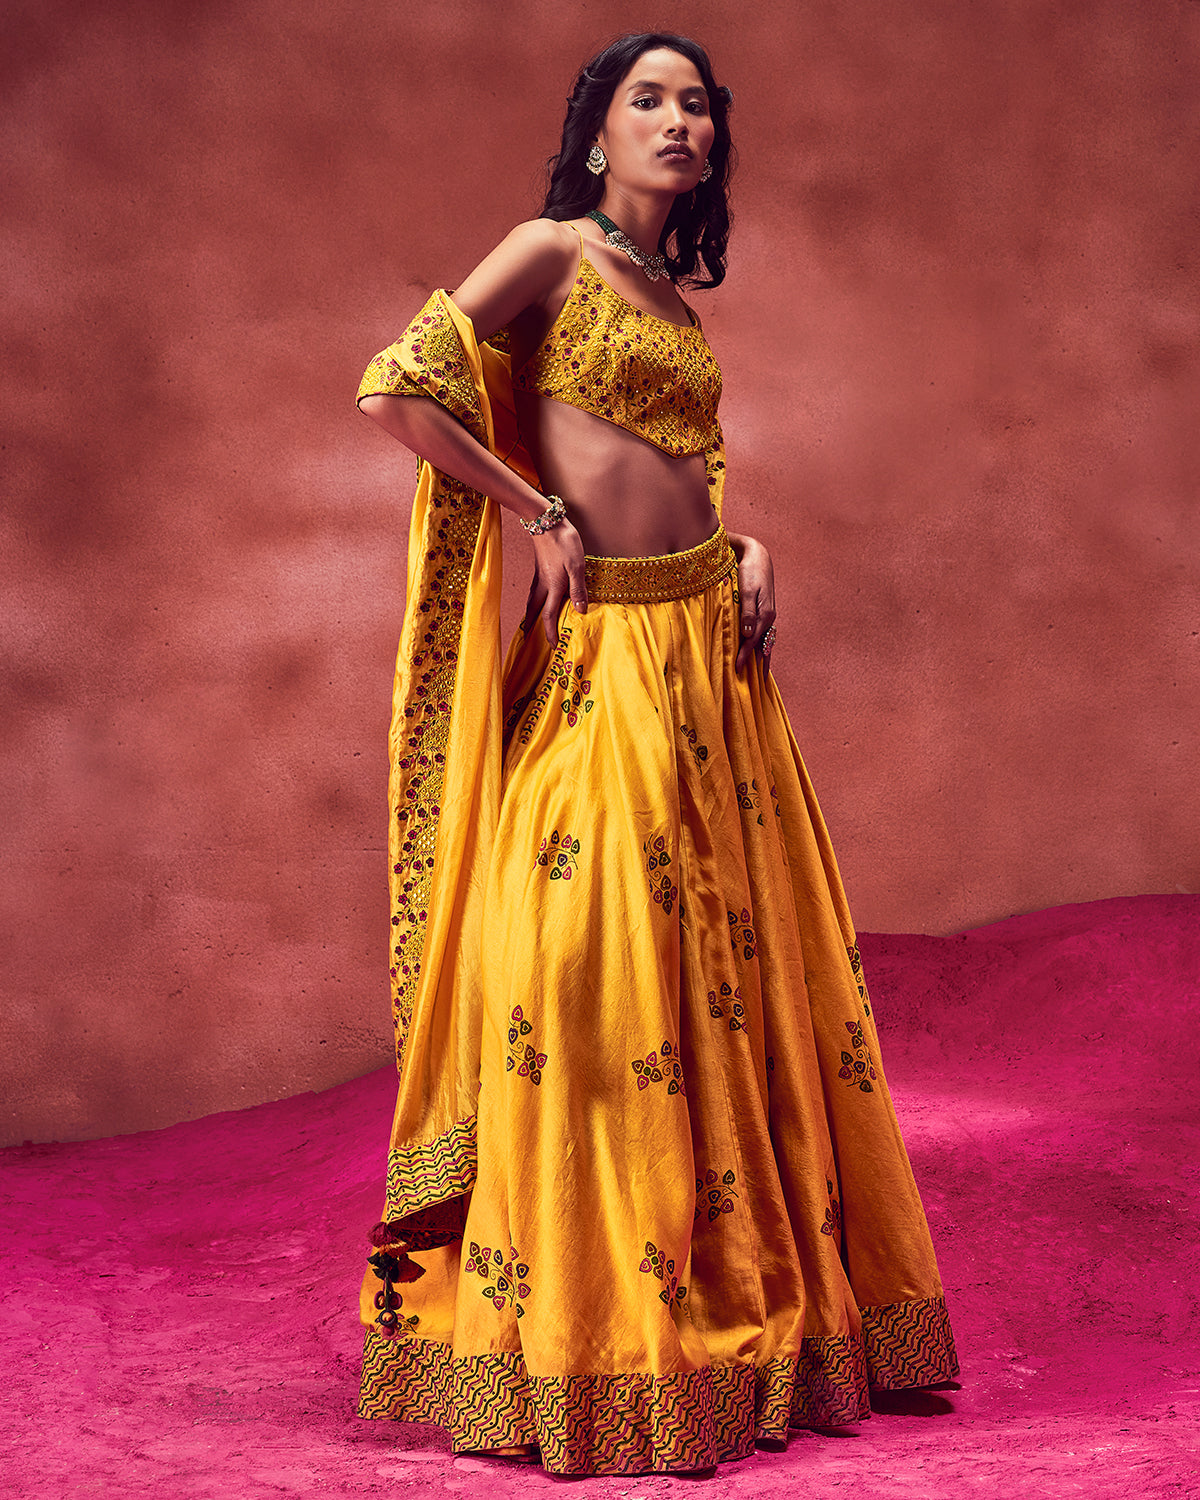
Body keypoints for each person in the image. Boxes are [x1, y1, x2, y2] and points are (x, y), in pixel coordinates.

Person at [352, 31, 958, 1478]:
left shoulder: (672, 297)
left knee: (729, 989)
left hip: (710, 663)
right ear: (597, 133)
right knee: (589, 969)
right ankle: (593, 1341)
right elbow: (394, 389)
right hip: (610, 655)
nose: (679, 121)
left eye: (697, 104)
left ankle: (744, 1308)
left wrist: (744, 546)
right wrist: (532, 512)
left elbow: (677, 470)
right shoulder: (549, 251)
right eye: (649, 100)